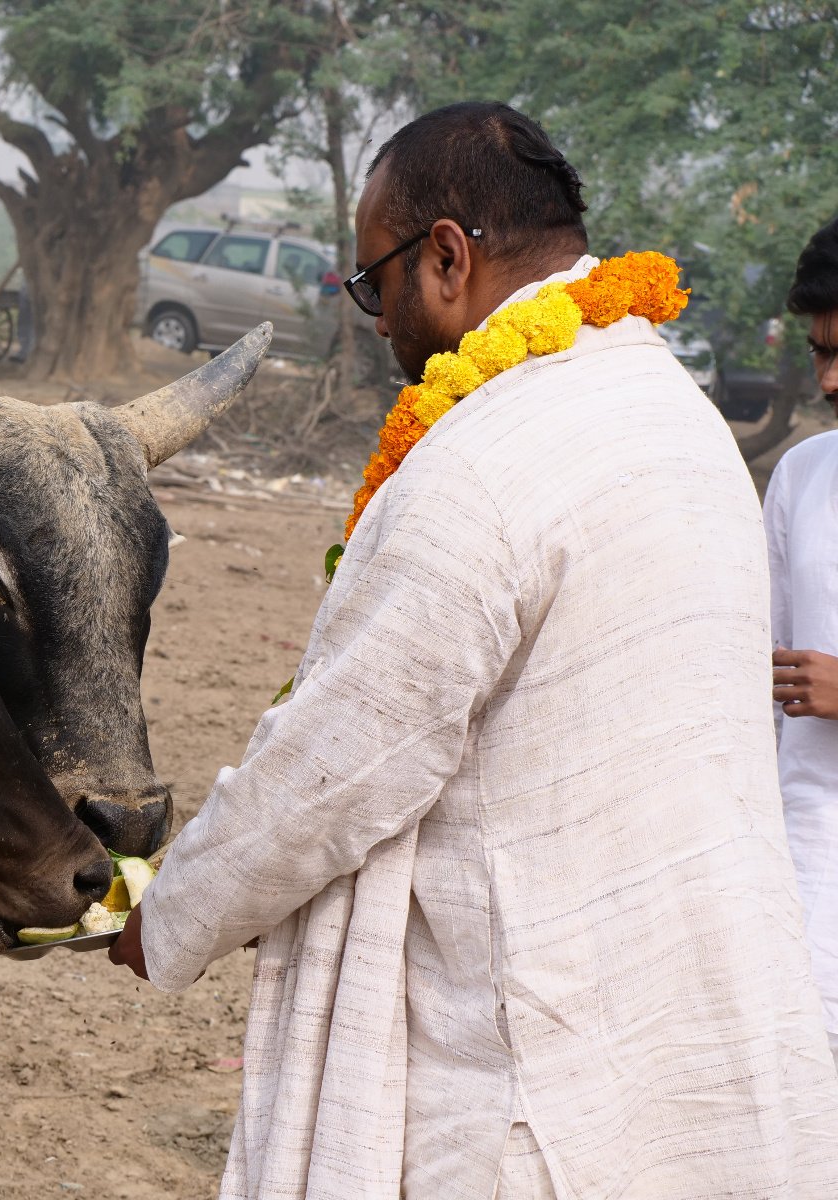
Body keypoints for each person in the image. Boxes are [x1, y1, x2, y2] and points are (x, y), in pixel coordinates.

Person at [111, 101, 838, 1197]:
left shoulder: (481, 462)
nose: (373, 319)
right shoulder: (673, 411)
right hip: (696, 1063)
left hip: (528, 1090)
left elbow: (337, 763)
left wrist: (164, 910)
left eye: (373, 283)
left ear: (447, 256)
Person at [765, 216, 838, 1063]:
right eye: (820, 353)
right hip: (802, 862)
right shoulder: (802, 476)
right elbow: (757, 681)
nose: (828, 379)